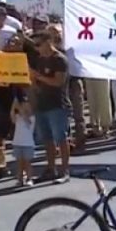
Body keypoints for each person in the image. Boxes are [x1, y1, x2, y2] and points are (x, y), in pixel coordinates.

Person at [30, 31, 71, 183]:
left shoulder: (59, 60)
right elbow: (37, 83)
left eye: (39, 44)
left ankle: (64, 170)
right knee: (47, 139)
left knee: (61, 138)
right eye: (35, 45)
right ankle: (51, 168)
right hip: (42, 104)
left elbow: (58, 82)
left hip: (57, 104)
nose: (37, 48)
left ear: (48, 42)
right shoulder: (39, 60)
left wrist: (38, 76)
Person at [10, 90, 36, 188]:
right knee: (19, 163)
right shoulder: (18, 117)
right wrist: (14, 104)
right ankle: (20, 179)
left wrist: (19, 107)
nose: (25, 107)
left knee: (27, 162)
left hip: (28, 144)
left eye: (27, 105)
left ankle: (29, 178)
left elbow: (27, 120)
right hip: (18, 142)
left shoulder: (32, 118)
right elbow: (12, 115)